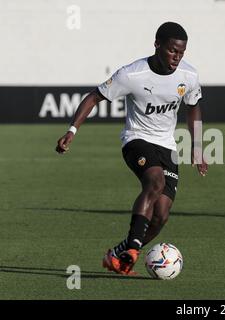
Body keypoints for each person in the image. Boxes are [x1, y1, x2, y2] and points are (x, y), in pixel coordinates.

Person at [55, 22, 207, 275]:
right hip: (136, 140)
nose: (177, 57)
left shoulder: (188, 76)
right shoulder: (132, 75)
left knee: (161, 216)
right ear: (157, 44)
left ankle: (118, 255)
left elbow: (194, 107)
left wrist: (198, 146)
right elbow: (94, 97)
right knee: (155, 183)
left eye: (181, 52)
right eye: (172, 51)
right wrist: (72, 131)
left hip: (167, 146)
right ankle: (134, 248)